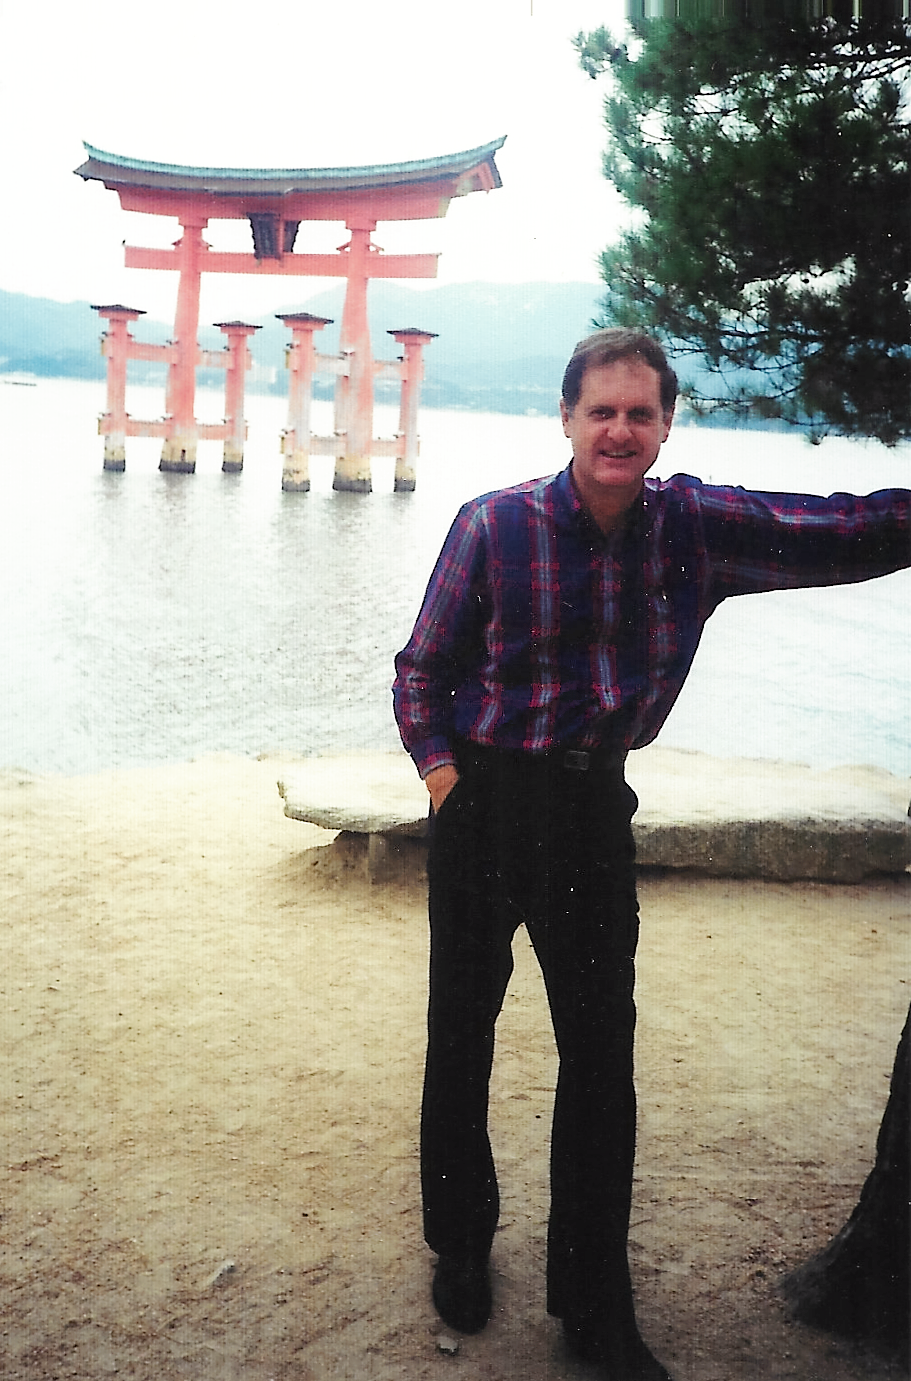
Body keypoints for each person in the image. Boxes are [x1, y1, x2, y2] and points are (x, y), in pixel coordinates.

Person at [392, 328, 910, 1380]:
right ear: (566, 418)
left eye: (639, 412)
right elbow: (420, 671)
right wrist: (446, 780)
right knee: (460, 1031)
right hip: (484, 802)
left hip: (590, 809)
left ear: (666, 424)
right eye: (601, 411)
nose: (619, 431)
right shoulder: (493, 524)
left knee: (600, 1061)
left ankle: (593, 1310)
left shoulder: (695, 529)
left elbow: (840, 529)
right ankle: (461, 1243)